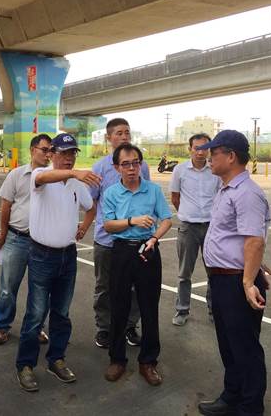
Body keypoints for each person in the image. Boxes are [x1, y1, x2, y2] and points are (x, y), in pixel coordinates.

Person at [15, 133, 99, 392]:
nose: (69, 158)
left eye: (72, 153)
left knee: (62, 313)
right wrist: (74, 174)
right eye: (64, 153)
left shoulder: (76, 185)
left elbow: (91, 207)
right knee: (36, 313)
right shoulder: (41, 175)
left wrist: (84, 227)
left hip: (68, 256)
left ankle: (56, 359)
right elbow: (43, 178)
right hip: (42, 256)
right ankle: (25, 365)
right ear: (51, 154)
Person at [195, 130, 271, 416]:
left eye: (213, 153)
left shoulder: (246, 193)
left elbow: (254, 240)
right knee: (229, 345)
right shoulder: (226, 188)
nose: (208, 157)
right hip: (222, 278)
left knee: (245, 348)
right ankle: (232, 397)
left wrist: (249, 281)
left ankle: (250, 408)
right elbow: (241, 237)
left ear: (231, 157)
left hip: (237, 282)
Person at [102, 143, 172, 386]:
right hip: (121, 252)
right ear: (117, 167)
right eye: (126, 164)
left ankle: (148, 361)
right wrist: (132, 221)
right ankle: (117, 359)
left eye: (135, 163)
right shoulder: (111, 193)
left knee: (149, 307)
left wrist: (154, 238)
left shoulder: (153, 190)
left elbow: (167, 220)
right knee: (118, 306)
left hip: (147, 251)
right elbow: (108, 225)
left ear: (140, 164)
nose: (131, 168)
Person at [86, 118, 149, 349]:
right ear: (109, 138)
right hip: (106, 240)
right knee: (104, 286)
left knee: (135, 286)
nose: (124, 137)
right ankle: (105, 328)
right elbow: (92, 201)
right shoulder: (100, 167)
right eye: (119, 133)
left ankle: (129, 326)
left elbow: (146, 195)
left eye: (127, 132)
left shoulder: (142, 166)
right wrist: (86, 226)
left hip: (135, 239)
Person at [0, 134, 52, 345]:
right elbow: (6, 206)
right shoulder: (16, 175)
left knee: (40, 290)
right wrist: (3, 233)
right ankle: (2, 327)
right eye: (44, 149)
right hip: (17, 239)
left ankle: (35, 328)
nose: (48, 154)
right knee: (8, 288)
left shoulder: (54, 178)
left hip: (43, 243)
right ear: (32, 150)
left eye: (51, 151)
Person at [169, 133, 221, 326]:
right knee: (184, 273)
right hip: (188, 228)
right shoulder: (180, 170)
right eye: (196, 148)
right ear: (190, 149)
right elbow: (175, 198)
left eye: (204, 148)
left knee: (214, 272)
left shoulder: (215, 170)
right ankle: (182, 310)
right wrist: (188, 213)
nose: (200, 152)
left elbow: (220, 195)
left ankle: (214, 310)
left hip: (211, 228)